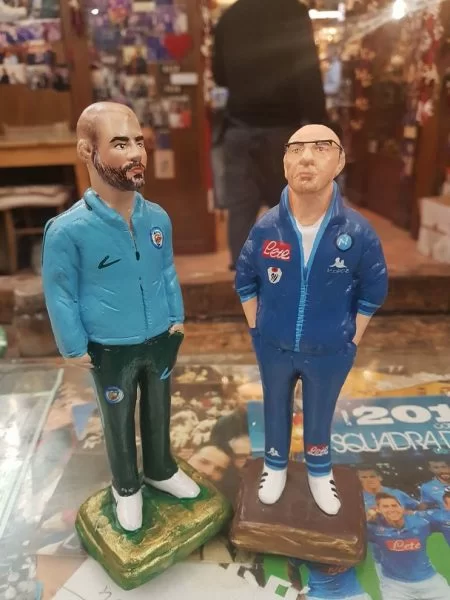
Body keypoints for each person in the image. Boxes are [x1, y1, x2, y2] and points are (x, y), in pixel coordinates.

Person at [42, 101, 200, 532]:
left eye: (138, 142)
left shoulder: (157, 218)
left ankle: (161, 469)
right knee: (117, 416)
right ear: (87, 151)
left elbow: (166, 270)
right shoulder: (67, 231)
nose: (135, 153)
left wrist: (176, 316)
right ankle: (126, 485)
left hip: (161, 337)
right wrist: (72, 344)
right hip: (109, 347)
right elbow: (60, 292)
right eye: (119, 143)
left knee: (159, 407)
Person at [235, 124, 388, 515]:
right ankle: (274, 463)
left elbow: (374, 288)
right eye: (296, 149)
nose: (306, 157)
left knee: (320, 410)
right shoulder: (267, 227)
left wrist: (352, 336)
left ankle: (320, 469)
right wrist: (257, 329)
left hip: (331, 348)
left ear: (340, 161)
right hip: (273, 345)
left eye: (321, 147)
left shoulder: (357, 231)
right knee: (274, 406)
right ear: (284, 163)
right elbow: (245, 279)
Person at [212, 0, 328, 269]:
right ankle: (286, 275)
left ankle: (244, 278)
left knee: (241, 210)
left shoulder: (230, 16)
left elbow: (220, 76)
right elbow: (308, 74)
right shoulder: (293, 11)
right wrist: (319, 123)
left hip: (239, 127)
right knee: (289, 209)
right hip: (284, 130)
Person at [367, 493, 450, 600]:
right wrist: (366, 518)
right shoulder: (373, 529)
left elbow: (444, 517)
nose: (391, 509)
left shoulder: (421, 522)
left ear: (402, 508)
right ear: (378, 509)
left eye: (394, 505)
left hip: (429, 582)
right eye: (385, 506)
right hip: (395, 586)